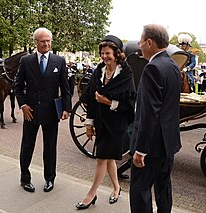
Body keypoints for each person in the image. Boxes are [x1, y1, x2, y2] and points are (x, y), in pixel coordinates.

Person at [76, 35, 136, 210]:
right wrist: (89, 124)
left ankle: (91, 194)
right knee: (108, 159)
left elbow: (129, 104)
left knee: (101, 159)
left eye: (107, 53)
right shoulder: (99, 71)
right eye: (102, 53)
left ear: (117, 53)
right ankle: (117, 188)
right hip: (101, 122)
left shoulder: (126, 73)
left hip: (117, 124)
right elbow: (91, 100)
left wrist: (109, 103)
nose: (104, 56)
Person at [130, 24, 182, 213]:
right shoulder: (173, 66)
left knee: (140, 191)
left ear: (149, 42)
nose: (140, 45)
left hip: (150, 146)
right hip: (168, 143)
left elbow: (148, 113)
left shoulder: (152, 68)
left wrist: (140, 150)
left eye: (141, 41)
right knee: (163, 188)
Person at [14, 27, 71, 193]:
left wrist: (66, 108)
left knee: (50, 147)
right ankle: (25, 178)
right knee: (27, 145)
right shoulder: (26, 61)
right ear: (36, 43)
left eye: (48, 41)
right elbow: (17, 87)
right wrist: (23, 105)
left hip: (51, 112)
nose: (46, 44)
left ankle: (50, 179)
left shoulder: (59, 61)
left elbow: (65, 88)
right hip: (30, 111)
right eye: (43, 41)